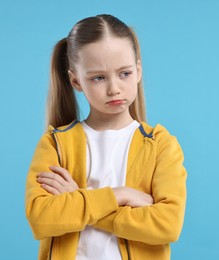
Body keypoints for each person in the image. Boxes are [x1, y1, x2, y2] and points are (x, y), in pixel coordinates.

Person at [25, 14, 187, 260]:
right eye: (98, 77)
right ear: (76, 80)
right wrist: (119, 195)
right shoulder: (56, 144)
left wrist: (78, 199)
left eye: (124, 73)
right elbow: (41, 218)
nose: (114, 88)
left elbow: (167, 225)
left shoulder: (160, 145)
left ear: (138, 70)